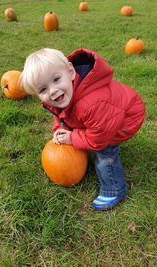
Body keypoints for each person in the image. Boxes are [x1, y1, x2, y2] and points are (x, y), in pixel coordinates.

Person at [21, 48, 145, 211]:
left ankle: (114, 189)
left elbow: (98, 138)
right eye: (43, 89)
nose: (52, 91)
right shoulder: (65, 95)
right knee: (86, 128)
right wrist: (60, 128)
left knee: (104, 151)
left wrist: (73, 138)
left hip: (125, 119)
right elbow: (62, 114)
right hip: (106, 116)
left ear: (71, 72)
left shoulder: (91, 105)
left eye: (56, 79)